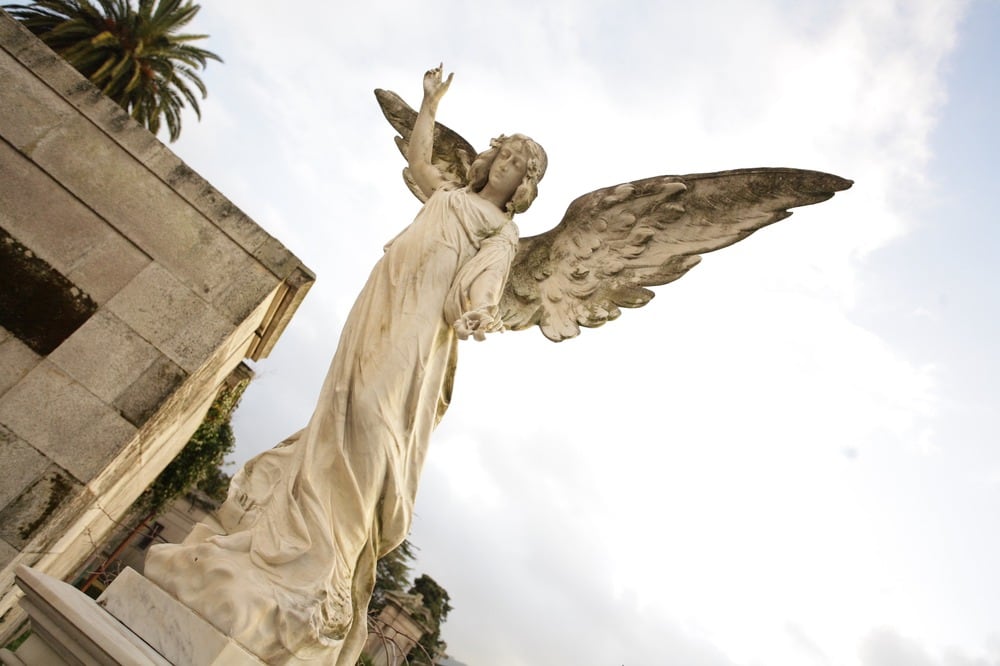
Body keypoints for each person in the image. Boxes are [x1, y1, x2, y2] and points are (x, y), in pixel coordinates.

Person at [144, 65, 546, 665]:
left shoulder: (502, 231)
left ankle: (324, 563)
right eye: (504, 154)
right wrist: (429, 104)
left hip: (419, 332)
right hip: (382, 304)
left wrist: (480, 313)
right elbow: (418, 163)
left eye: (518, 165)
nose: (506, 166)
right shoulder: (451, 197)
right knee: (339, 410)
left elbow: (486, 283)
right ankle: (291, 547)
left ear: (522, 186)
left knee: (369, 420)